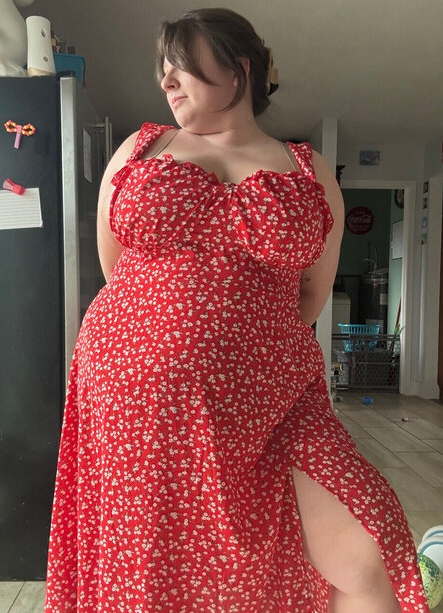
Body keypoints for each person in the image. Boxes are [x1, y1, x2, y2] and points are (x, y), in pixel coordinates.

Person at [44, 7, 429, 613]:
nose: (166, 80)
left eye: (180, 65)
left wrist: (240, 346)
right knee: (154, 568)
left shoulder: (307, 170)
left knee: (365, 551)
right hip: (137, 402)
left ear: (239, 68)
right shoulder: (140, 150)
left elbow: (311, 293)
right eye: (162, 69)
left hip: (275, 401)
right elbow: (117, 269)